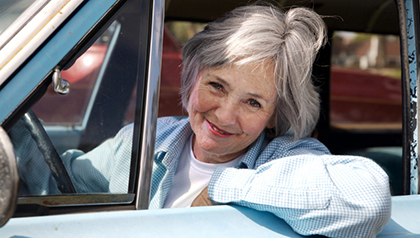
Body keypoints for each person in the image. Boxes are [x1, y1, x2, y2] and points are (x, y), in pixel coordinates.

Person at [10, 4, 391, 237]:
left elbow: (365, 201)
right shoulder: (148, 139)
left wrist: (219, 187)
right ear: (193, 75)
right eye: (217, 85)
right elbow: (62, 186)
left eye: (254, 103)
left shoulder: (285, 158)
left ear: (276, 113)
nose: (225, 115)